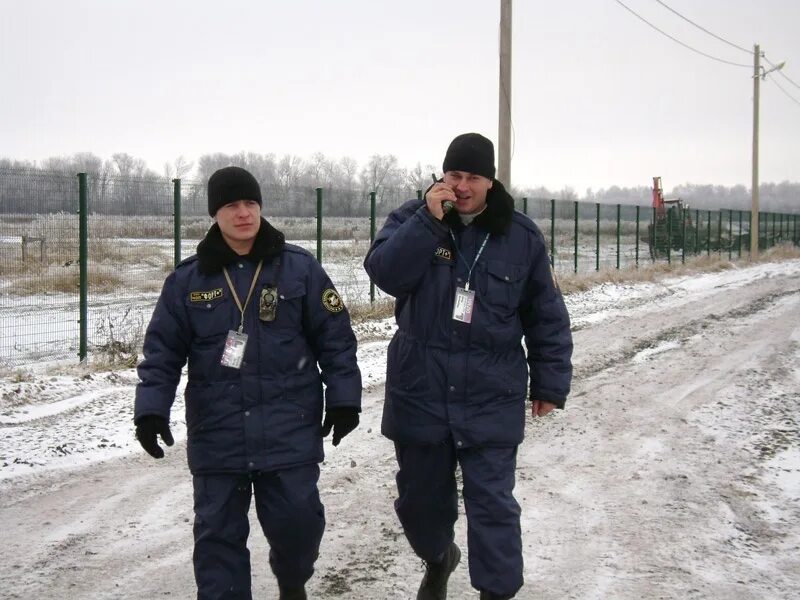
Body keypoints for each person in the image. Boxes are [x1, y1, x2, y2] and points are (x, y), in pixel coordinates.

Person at [134, 166, 362, 600]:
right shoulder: (187, 281)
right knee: (218, 542)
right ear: (215, 214)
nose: (243, 213)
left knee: (299, 525)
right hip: (218, 432)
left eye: (251, 204)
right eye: (232, 205)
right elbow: (161, 353)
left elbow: (335, 339)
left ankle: (292, 581)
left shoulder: (299, 269)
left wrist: (344, 398)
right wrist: (149, 410)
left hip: (288, 426)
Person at [363, 133, 573, 600]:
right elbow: (385, 275)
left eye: (472, 177)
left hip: (490, 392)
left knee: (492, 506)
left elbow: (546, 313)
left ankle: (495, 592)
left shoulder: (521, 236)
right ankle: (439, 558)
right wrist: (428, 223)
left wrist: (550, 382)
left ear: (490, 181)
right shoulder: (410, 219)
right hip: (421, 391)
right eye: (453, 175)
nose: (461, 186)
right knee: (420, 504)